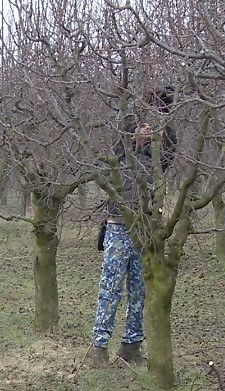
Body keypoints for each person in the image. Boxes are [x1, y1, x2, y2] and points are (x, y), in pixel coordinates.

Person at [90, 86, 177, 366]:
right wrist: (137, 101)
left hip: (144, 232)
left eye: (150, 127)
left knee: (139, 290)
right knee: (110, 288)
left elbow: (172, 144)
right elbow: (123, 127)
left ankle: (131, 346)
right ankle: (99, 347)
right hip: (117, 228)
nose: (145, 130)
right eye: (141, 126)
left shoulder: (155, 163)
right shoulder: (120, 155)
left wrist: (164, 109)